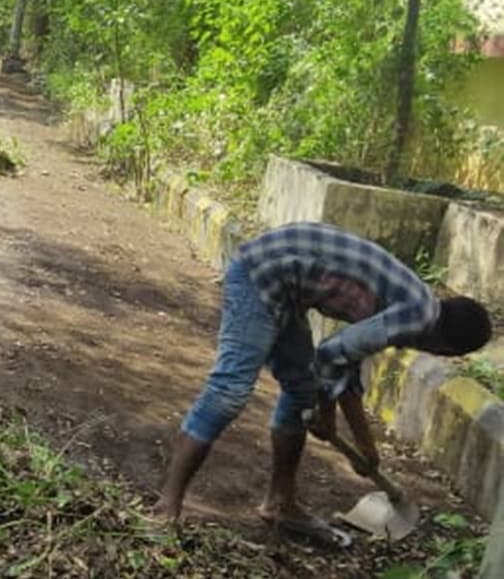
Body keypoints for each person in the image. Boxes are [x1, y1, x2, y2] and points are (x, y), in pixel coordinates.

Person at [153, 222, 492, 535]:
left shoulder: (419, 304)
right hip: (261, 274)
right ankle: (166, 506)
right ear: (446, 349)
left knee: (301, 390)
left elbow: (347, 362)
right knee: (230, 390)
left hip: (288, 286)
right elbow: (331, 354)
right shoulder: (417, 318)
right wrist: (330, 416)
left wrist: (364, 446)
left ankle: (279, 503)